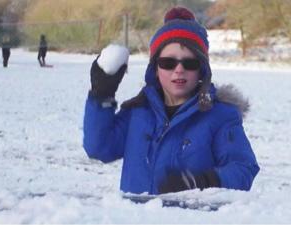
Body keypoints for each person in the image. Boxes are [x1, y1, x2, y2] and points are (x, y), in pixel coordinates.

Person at [83, 7, 259, 195]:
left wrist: (202, 182)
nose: (179, 70)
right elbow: (99, 148)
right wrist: (101, 95)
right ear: (155, 69)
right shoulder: (138, 113)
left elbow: (243, 169)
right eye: (168, 63)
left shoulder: (220, 115)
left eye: (190, 63)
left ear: (202, 70)